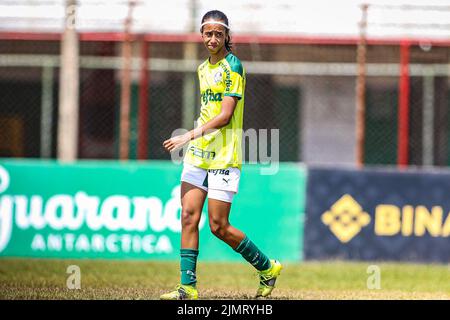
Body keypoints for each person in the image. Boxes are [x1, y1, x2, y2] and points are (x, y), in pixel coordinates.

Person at [160, 10, 282, 300]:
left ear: (227, 35)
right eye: (208, 33)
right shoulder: (203, 68)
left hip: (224, 156)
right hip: (199, 153)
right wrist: (193, 141)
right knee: (189, 217)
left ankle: (267, 267)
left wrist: (187, 135)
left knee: (218, 226)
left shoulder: (233, 67)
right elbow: (208, 111)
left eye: (218, 33)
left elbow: (226, 116)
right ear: (201, 35)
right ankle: (187, 288)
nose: (212, 38)